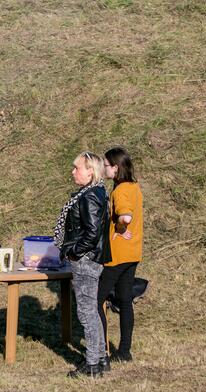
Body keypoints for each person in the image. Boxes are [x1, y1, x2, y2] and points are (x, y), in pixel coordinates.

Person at [54, 151, 111, 378]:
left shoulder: (89, 196)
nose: (73, 172)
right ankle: (100, 358)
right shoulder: (94, 193)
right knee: (91, 311)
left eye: (77, 168)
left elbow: (92, 232)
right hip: (90, 258)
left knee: (86, 312)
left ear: (90, 171)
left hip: (86, 260)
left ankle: (92, 365)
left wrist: (74, 252)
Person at [97, 147, 143, 363]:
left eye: (106, 165)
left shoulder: (121, 190)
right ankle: (124, 351)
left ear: (115, 168)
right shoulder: (134, 187)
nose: (104, 169)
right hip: (133, 253)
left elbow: (125, 216)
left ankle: (100, 351)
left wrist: (119, 227)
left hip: (117, 255)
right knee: (125, 300)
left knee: (96, 300)